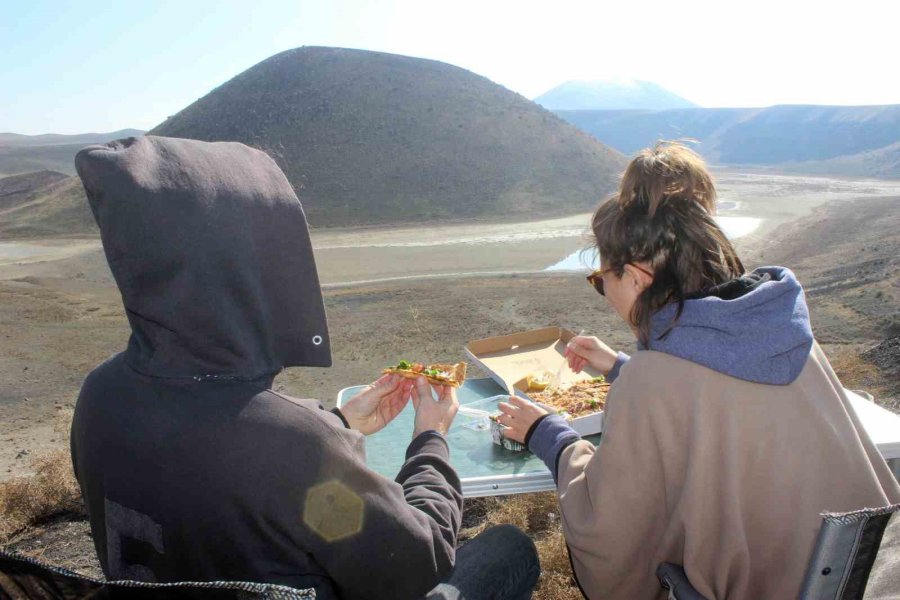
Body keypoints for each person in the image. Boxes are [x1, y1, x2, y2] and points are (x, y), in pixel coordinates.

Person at [70, 135, 539, 600]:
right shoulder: (290, 446)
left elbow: (222, 475)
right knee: (509, 549)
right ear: (248, 269)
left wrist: (338, 424)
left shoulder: (100, 396)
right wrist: (430, 439)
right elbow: (420, 562)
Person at [498, 141, 900, 599]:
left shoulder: (657, 380)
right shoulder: (782, 333)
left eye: (600, 280)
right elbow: (722, 398)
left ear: (636, 277)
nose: (604, 293)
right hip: (870, 577)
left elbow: (610, 528)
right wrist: (620, 367)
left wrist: (548, 434)